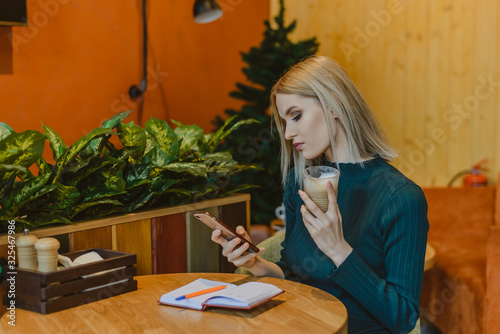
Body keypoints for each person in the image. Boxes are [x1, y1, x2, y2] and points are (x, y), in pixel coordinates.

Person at [211, 56, 429, 333]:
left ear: (334, 105)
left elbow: (403, 317)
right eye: (284, 120)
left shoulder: (400, 197)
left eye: (296, 115)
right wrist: (255, 263)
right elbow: (293, 276)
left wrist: (338, 249)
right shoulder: (298, 183)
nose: (288, 132)